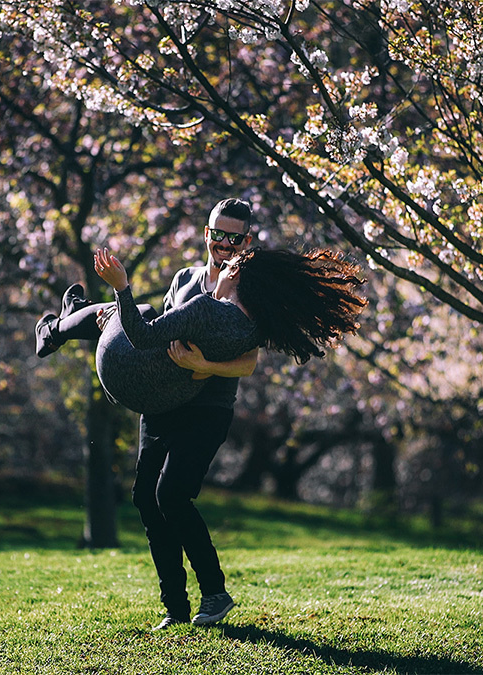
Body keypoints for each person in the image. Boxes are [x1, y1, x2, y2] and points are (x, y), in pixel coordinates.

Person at [35, 199, 367, 630]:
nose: (224, 244)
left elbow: (248, 363)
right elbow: (154, 337)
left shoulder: (248, 294)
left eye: (235, 238)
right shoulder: (185, 280)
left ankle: (214, 593)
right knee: (145, 500)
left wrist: (205, 368)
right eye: (218, 235)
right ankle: (174, 606)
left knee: (172, 495)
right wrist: (119, 330)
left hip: (206, 407)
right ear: (206, 234)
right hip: (162, 401)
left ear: (247, 242)